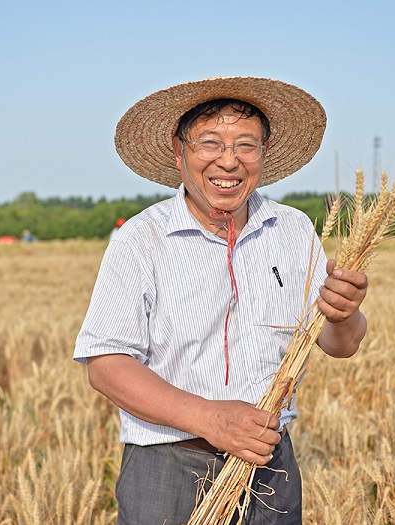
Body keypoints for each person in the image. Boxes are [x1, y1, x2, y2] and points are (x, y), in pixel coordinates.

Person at [73, 77, 368, 524]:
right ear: (179, 150)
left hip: (270, 466)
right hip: (167, 467)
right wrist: (210, 419)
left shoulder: (293, 230)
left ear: (265, 152)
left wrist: (345, 314)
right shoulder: (140, 239)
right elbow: (106, 365)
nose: (228, 161)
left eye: (246, 145)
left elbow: (339, 343)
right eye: (210, 142)